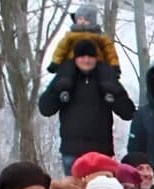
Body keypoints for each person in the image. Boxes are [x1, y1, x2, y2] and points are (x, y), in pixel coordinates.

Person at [38, 39, 135, 175]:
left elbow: (128, 112)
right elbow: (45, 109)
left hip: (101, 151)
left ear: (96, 58)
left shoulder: (106, 78)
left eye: (90, 56)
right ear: (76, 58)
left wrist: (113, 93)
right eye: (82, 56)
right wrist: (59, 90)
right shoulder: (65, 77)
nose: (86, 60)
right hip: (72, 152)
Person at [48, 4, 120, 74]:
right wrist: (55, 62)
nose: (82, 21)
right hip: (72, 62)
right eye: (80, 19)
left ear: (93, 21)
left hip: (96, 63)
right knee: (66, 76)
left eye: (86, 19)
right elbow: (61, 49)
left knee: (104, 76)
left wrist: (114, 66)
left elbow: (110, 51)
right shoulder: (71, 35)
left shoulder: (99, 36)